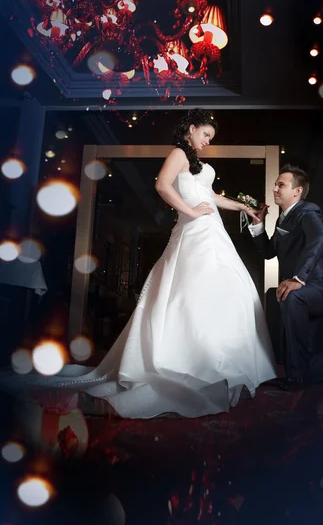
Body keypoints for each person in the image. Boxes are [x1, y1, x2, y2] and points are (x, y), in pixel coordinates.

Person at [3, 109, 276, 418]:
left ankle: (212, 360)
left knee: (216, 290)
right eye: (205, 135)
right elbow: (162, 185)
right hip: (195, 230)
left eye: (210, 138)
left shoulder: (196, 163)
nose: (207, 142)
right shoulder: (178, 153)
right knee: (191, 290)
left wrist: (243, 206)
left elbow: (210, 196)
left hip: (211, 231)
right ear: (191, 129)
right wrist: (191, 211)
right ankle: (186, 360)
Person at [249, 164, 323, 391]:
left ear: (297, 191)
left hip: (319, 287)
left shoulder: (308, 210)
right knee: (281, 296)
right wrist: (258, 224)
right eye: (275, 185)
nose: (275, 189)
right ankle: (294, 371)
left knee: (291, 296)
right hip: (301, 289)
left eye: (281, 185)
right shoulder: (282, 220)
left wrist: (299, 278)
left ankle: (297, 376)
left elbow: (319, 239)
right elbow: (269, 253)